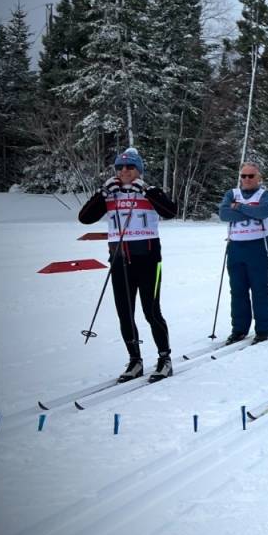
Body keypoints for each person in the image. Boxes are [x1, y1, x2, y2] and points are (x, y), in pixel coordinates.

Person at [79, 147, 179, 383]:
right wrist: (102, 193)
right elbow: (85, 218)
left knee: (151, 311)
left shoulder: (149, 191)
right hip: (120, 262)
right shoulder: (110, 194)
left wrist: (146, 190)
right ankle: (135, 360)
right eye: (120, 167)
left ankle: (165, 359)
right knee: (125, 314)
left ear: (139, 170)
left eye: (130, 167)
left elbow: (170, 211)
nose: (125, 171)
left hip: (148, 260)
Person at [217, 162, 268, 344]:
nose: (247, 179)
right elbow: (224, 214)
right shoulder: (232, 194)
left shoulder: (265, 194)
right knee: (237, 290)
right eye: (244, 176)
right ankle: (239, 329)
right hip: (236, 247)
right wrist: (251, 212)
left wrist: (240, 207)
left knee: (260, 289)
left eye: (251, 176)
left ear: (259, 178)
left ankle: (264, 329)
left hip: (258, 245)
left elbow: (264, 211)